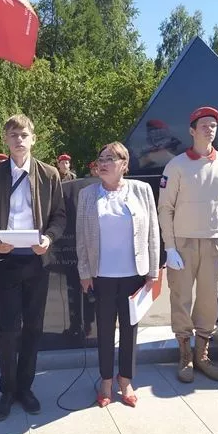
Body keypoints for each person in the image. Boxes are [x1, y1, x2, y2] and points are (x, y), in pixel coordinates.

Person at [0, 114, 66, 422]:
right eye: (13, 135)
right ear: (5, 139)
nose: (19, 140)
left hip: (37, 261)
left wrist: (49, 238)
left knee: (33, 328)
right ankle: (7, 390)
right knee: (7, 330)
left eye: (24, 135)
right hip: (6, 261)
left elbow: (59, 216)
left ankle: (25, 388)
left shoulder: (49, 174)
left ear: (33, 139)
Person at [76, 141, 160, 408]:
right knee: (103, 330)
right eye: (100, 159)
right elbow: (81, 237)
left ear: (124, 164)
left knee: (129, 330)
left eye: (110, 159)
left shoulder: (142, 190)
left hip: (134, 274)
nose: (103, 163)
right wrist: (84, 272)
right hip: (101, 275)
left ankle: (125, 380)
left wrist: (153, 271)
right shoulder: (88, 194)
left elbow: (153, 232)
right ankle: (105, 381)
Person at [158, 107, 218, 383]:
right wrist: (170, 247)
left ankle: (202, 355)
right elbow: (165, 208)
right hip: (184, 243)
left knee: (209, 300)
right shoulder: (177, 165)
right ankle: (185, 356)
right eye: (204, 125)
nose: (209, 129)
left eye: (213, 125)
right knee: (180, 298)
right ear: (192, 130)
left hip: (214, 242)